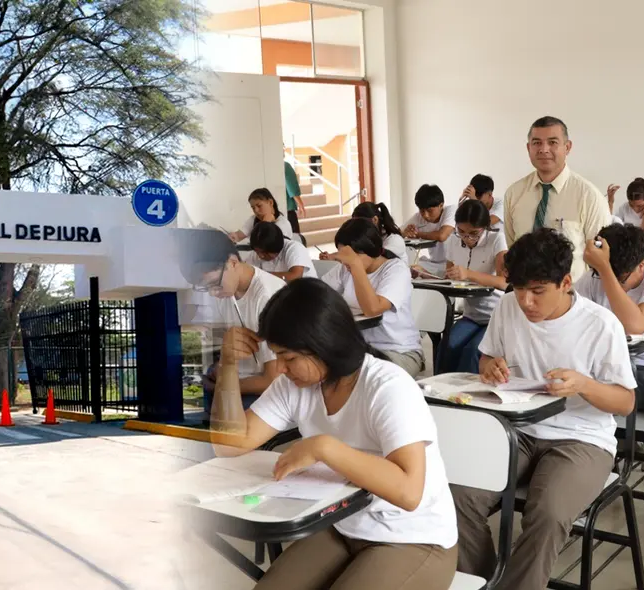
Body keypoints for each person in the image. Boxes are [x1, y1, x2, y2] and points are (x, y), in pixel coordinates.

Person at [210, 278, 458, 590]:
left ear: (324, 343)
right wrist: (228, 368)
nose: (281, 369)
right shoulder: (295, 385)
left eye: (289, 358)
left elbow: (409, 492)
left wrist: (325, 448)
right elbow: (228, 445)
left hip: (413, 537)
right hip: (341, 525)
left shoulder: (387, 386)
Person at [453, 229, 636, 590]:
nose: (525, 302)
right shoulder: (509, 306)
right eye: (518, 289)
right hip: (517, 429)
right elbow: (489, 354)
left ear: (566, 282)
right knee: (457, 496)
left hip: (580, 438)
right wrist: (489, 365)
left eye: (537, 291)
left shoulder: (600, 325)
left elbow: (626, 402)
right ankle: (485, 581)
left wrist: (584, 384)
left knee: (548, 513)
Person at [577, 223, 644, 515]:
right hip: (610, 378)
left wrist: (607, 270)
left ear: (642, 265)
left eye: (618, 276)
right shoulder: (594, 278)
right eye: (600, 273)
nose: (603, 282)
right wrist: (601, 270)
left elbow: (636, 323)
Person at [176, 229, 285, 422]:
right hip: (240, 385)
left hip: (268, 395)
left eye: (214, 284)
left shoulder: (267, 297)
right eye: (205, 288)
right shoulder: (227, 292)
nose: (212, 293)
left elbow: (274, 380)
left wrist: (224, 385)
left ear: (233, 262)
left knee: (229, 436)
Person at [502, 116, 611, 281]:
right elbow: (512, 246)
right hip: (523, 295)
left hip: (572, 298)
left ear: (567, 147)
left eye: (553, 142)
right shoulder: (514, 194)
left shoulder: (589, 196)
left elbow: (601, 259)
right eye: (537, 143)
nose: (544, 149)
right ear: (528, 148)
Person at [321, 218, 424, 376]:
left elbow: (372, 309)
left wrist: (355, 265)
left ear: (368, 250)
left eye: (351, 257)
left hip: (398, 351)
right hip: (360, 350)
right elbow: (319, 292)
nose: (346, 263)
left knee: (361, 378)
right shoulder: (346, 269)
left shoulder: (395, 269)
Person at [435, 200, 508, 374]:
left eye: (474, 233)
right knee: (447, 345)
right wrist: (428, 274)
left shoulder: (496, 239)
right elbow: (449, 274)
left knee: (473, 351)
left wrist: (468, 274)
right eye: (461, 232)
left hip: (495, 316)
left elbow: (504, 282)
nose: (467, 238)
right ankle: (437, 392)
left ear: (485, 227)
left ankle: (463, 398)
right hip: (471, 314)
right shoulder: (454, 240)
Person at [607, 178, 644, 263]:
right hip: (631, 257)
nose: (635, 208)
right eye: (632, 205)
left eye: (640, 206)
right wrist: (610, 202)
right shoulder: (624, 208)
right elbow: (611, 224)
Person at [403, 184, 455, 277]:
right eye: (422, 211)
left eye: (430, 211)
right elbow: (396, 232)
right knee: (409, 265)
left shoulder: (451, 210)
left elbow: (441, 236)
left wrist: (417, 234)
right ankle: (430, 276)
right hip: (434, 264)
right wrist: (404, 232)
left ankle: (430, 276)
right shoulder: (418, 217)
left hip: (454, 264)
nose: (425, 215)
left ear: (441, 205)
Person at [249, 221, 317, 282]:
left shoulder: (294, 248)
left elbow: (295, 277)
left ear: (275, 247)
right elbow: (249, 273)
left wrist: (263, 275)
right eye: (257, 252)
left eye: (264, 253)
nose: (260, 256)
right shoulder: (255, 254)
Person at [229, 188, 294, 243]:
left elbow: (263, 245)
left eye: (259, 206)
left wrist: (265, 223)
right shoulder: (254, 219)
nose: (256, 210)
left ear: (270, 202)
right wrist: (233, 237)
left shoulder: (282, 224)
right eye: (253, 208)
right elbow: (239, 236)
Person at [284, 159, 306, 235]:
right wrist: (301, 205)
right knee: (295, 238)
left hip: (276, 211)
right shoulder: (285, 166)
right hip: (288, 210)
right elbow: (291, 187)